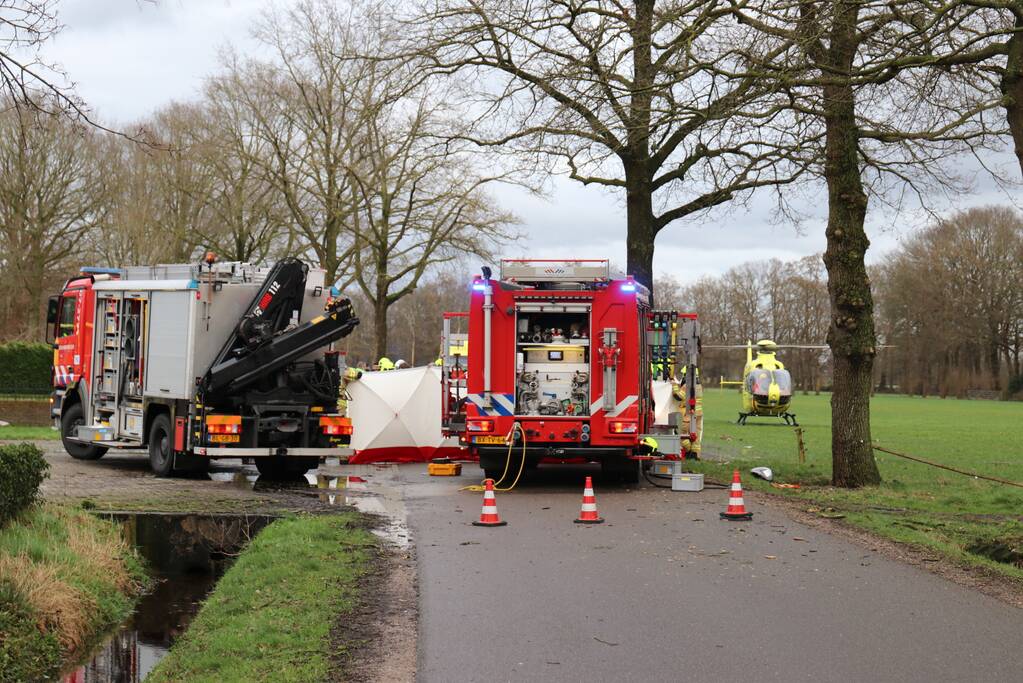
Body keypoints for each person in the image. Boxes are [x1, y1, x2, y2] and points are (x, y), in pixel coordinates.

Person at [672, 365, 703, 458]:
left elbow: (678, 397)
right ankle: (695, 454)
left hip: (688, 415)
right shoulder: (699, 386)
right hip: (699, 414)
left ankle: (688, 450)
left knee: (681, 434)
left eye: (684, 375)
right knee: (696, 436)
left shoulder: (687, 386)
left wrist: (674, 386)